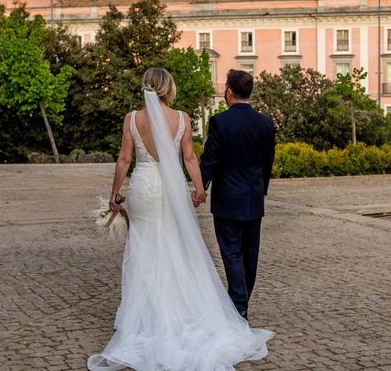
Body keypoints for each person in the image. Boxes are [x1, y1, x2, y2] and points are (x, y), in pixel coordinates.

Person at [88, 68, 272, 371]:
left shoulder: (132, 119)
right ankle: (181, 312)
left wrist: (114, 195)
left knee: (145, 249)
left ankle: (147, 316)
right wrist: (199, 189)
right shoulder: (182, 118)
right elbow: (189, 158)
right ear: (168, 89)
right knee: (175, 247)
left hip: (144, 188)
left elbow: (124, 159)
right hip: (171, 190)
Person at [199, 69, 276, 321]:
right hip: (253, 199)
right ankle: (241, 303)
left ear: (229, 92)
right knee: (249, 254)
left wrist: (201, 187)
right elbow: (267, 162)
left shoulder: (220, 122)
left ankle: (239, 307)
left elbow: (210, 159)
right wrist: (260, 190)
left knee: (231, 252)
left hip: (227, 200)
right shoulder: (265, 122)